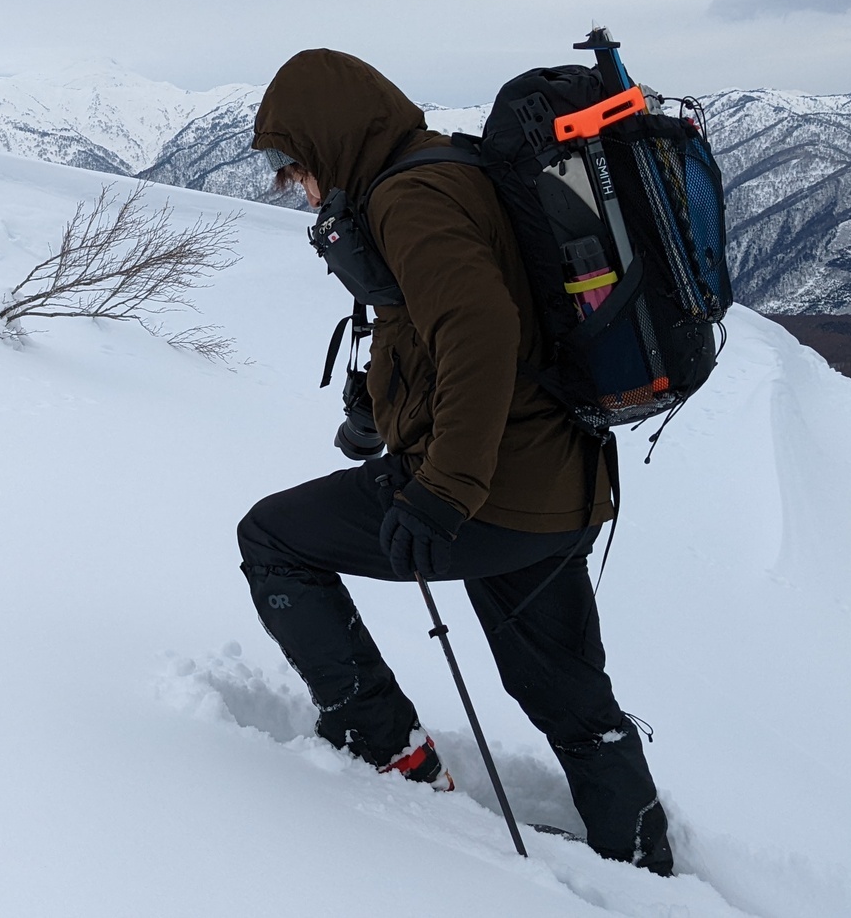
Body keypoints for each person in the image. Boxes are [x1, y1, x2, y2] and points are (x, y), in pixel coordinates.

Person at [238, 48, 673, 875]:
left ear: (328, 141)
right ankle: (642, 857)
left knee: (272, 538)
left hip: (488, 491)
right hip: (560, 485)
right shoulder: (447, 167)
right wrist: (382, 408)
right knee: (570, 696)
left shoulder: (411, 198)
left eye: (294, 166)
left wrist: (444, 490)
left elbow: (478, 331)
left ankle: (386, 747)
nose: (295, 185)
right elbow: (446, 321)